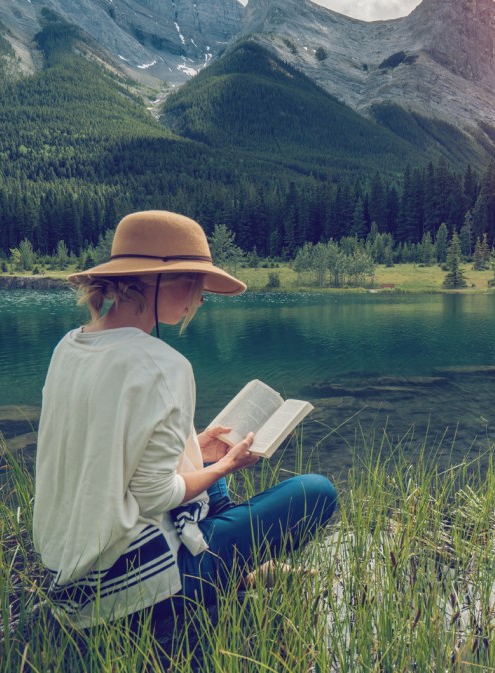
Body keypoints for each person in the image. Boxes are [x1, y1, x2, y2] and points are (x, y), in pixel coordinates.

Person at [32, 210, 337, 629]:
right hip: (130, 591)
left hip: (69, 576)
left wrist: (197, 444)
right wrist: (228, 465)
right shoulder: (162, 366)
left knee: (203, 456)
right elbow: (155, 497)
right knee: (317, 493)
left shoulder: (69, 347)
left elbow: (106, 448)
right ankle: (224, 572)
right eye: (197, 283)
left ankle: (237, 567)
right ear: (160, 282)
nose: (201, 297)